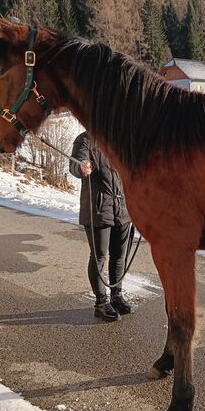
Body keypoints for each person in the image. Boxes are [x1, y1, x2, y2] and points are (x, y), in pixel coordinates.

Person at [69, 131, 133, 321]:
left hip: (123, 208)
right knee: (99, 256)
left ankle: (116, 296)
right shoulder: (85, 140)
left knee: (120, 255)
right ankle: (101, 302)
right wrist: (81, 168)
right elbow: (75, 163)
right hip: (98, 210)